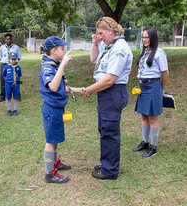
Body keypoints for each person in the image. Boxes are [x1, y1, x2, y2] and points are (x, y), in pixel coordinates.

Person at [82, 17, 133, 180]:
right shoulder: (110, 45)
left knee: (109, 131)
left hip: (112, 91)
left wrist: (89, 89)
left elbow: (110, 79)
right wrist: (95, 43)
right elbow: (93, 60)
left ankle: (110, 171)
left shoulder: (119, 48)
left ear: (110, 31)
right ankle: (107, 164)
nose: (98, 36)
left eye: (100, 33)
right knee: (104, 129)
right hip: (106, 92)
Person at [40, 36, 82, 184]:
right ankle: (49, 174)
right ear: (53, 50)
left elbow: (61, 87)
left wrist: (80, 90)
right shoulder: (48, 67)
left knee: (55, 139)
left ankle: (54, 164)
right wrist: (63, 65)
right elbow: (53, 86)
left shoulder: (53, 64)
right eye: (62, 49)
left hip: (57, 108)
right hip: (51, 109)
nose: (64, 52)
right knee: (51, 141)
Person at [133, 27, 169, 157]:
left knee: (153, 118)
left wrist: (161, 88)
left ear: (153, 38)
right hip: (142, 88)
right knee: (143, 116)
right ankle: (145, 142)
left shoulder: (159, 52)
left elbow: (165, 73)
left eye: (147, 37)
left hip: (153, 86)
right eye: (143, 37)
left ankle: (153, 147)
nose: (144, 40)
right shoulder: (145, 52)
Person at [0, 34, 21, 102]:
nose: (9, 40)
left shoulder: (16, 47)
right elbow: (0, 57)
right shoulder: (2, 47)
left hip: (13, 66)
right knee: (3, 80)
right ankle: (2, 96)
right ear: (5, 40)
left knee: (15, 80)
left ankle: (17, 95)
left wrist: (13, 64)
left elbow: (18, 57)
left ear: (12, 39)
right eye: (7, 39)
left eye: (10, 39)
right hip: (4, 65)